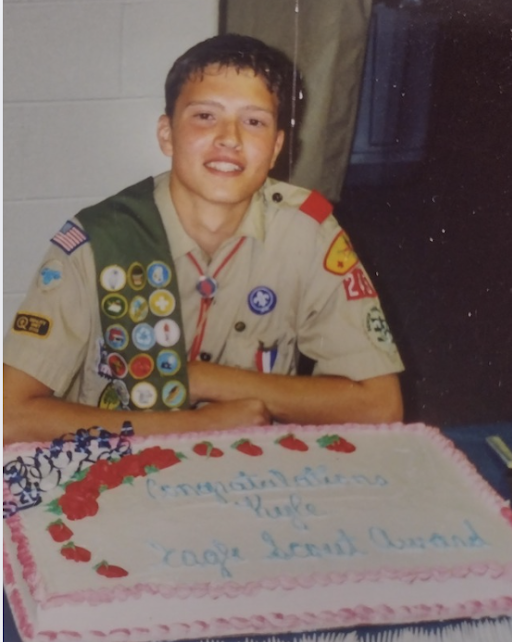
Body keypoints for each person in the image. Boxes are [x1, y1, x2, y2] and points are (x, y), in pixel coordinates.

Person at [4, 34, 405, 443]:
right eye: (205, 116)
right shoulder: (100, 242)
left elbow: (379, 405)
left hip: (253, 475)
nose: (229, 138)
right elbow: (9, 416)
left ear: (275, 148)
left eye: (254, 121)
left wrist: (208, 379)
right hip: (113, 477)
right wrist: (194, 426)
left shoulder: (308, 232)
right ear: (167, 134)